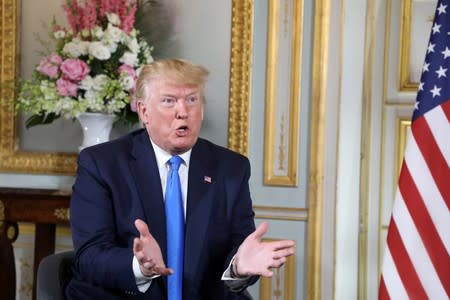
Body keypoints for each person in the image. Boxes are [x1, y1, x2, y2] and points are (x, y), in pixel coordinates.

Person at [65, 58, 295, 299]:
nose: (183, 112)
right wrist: (139, 267)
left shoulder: (230, 168)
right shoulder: (102, 164)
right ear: (144, 111)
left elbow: (240, 249)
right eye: (169, 101)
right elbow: (90, 256)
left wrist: (237, 267)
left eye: (192, 100)